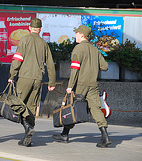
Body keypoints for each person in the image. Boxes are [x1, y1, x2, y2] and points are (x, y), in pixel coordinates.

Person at [52, 25, 112, 148]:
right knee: (95, 108)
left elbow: (74, 69)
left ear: (82, 35)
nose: (75, 35)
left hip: (80, 84)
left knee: (72, 108)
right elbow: (105, 67)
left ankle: (65, 135)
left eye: (76, 33)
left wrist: (70, 86)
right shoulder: (95, 50)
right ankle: (105, 136)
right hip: (93, 84)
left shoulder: (78, 49)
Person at [8, 18, 56, 147]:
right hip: (38, 79)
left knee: (18, 105)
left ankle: (28, 129)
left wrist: (12, 75)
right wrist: (51, 82)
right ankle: (27, 138)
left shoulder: (24, 40)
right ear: (40, 29)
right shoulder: (44, 44)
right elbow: (50, 64)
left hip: (25, 77)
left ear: (30, 28)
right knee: (31, 107)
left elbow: (17, 59)